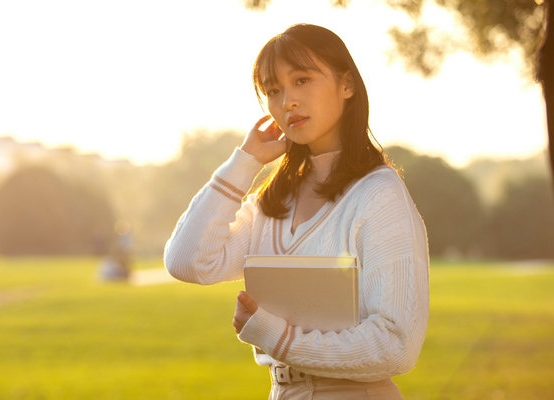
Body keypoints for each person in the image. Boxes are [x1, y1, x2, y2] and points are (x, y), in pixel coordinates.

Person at [164, 23, 429, 399]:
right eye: (273, 90)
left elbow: (395, 346)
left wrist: (278, 337)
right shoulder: (273, 202)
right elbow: (188, 261)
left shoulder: (378, 195)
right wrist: (245, 162)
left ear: (347, 84)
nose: (287, 100)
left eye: (302, 80)